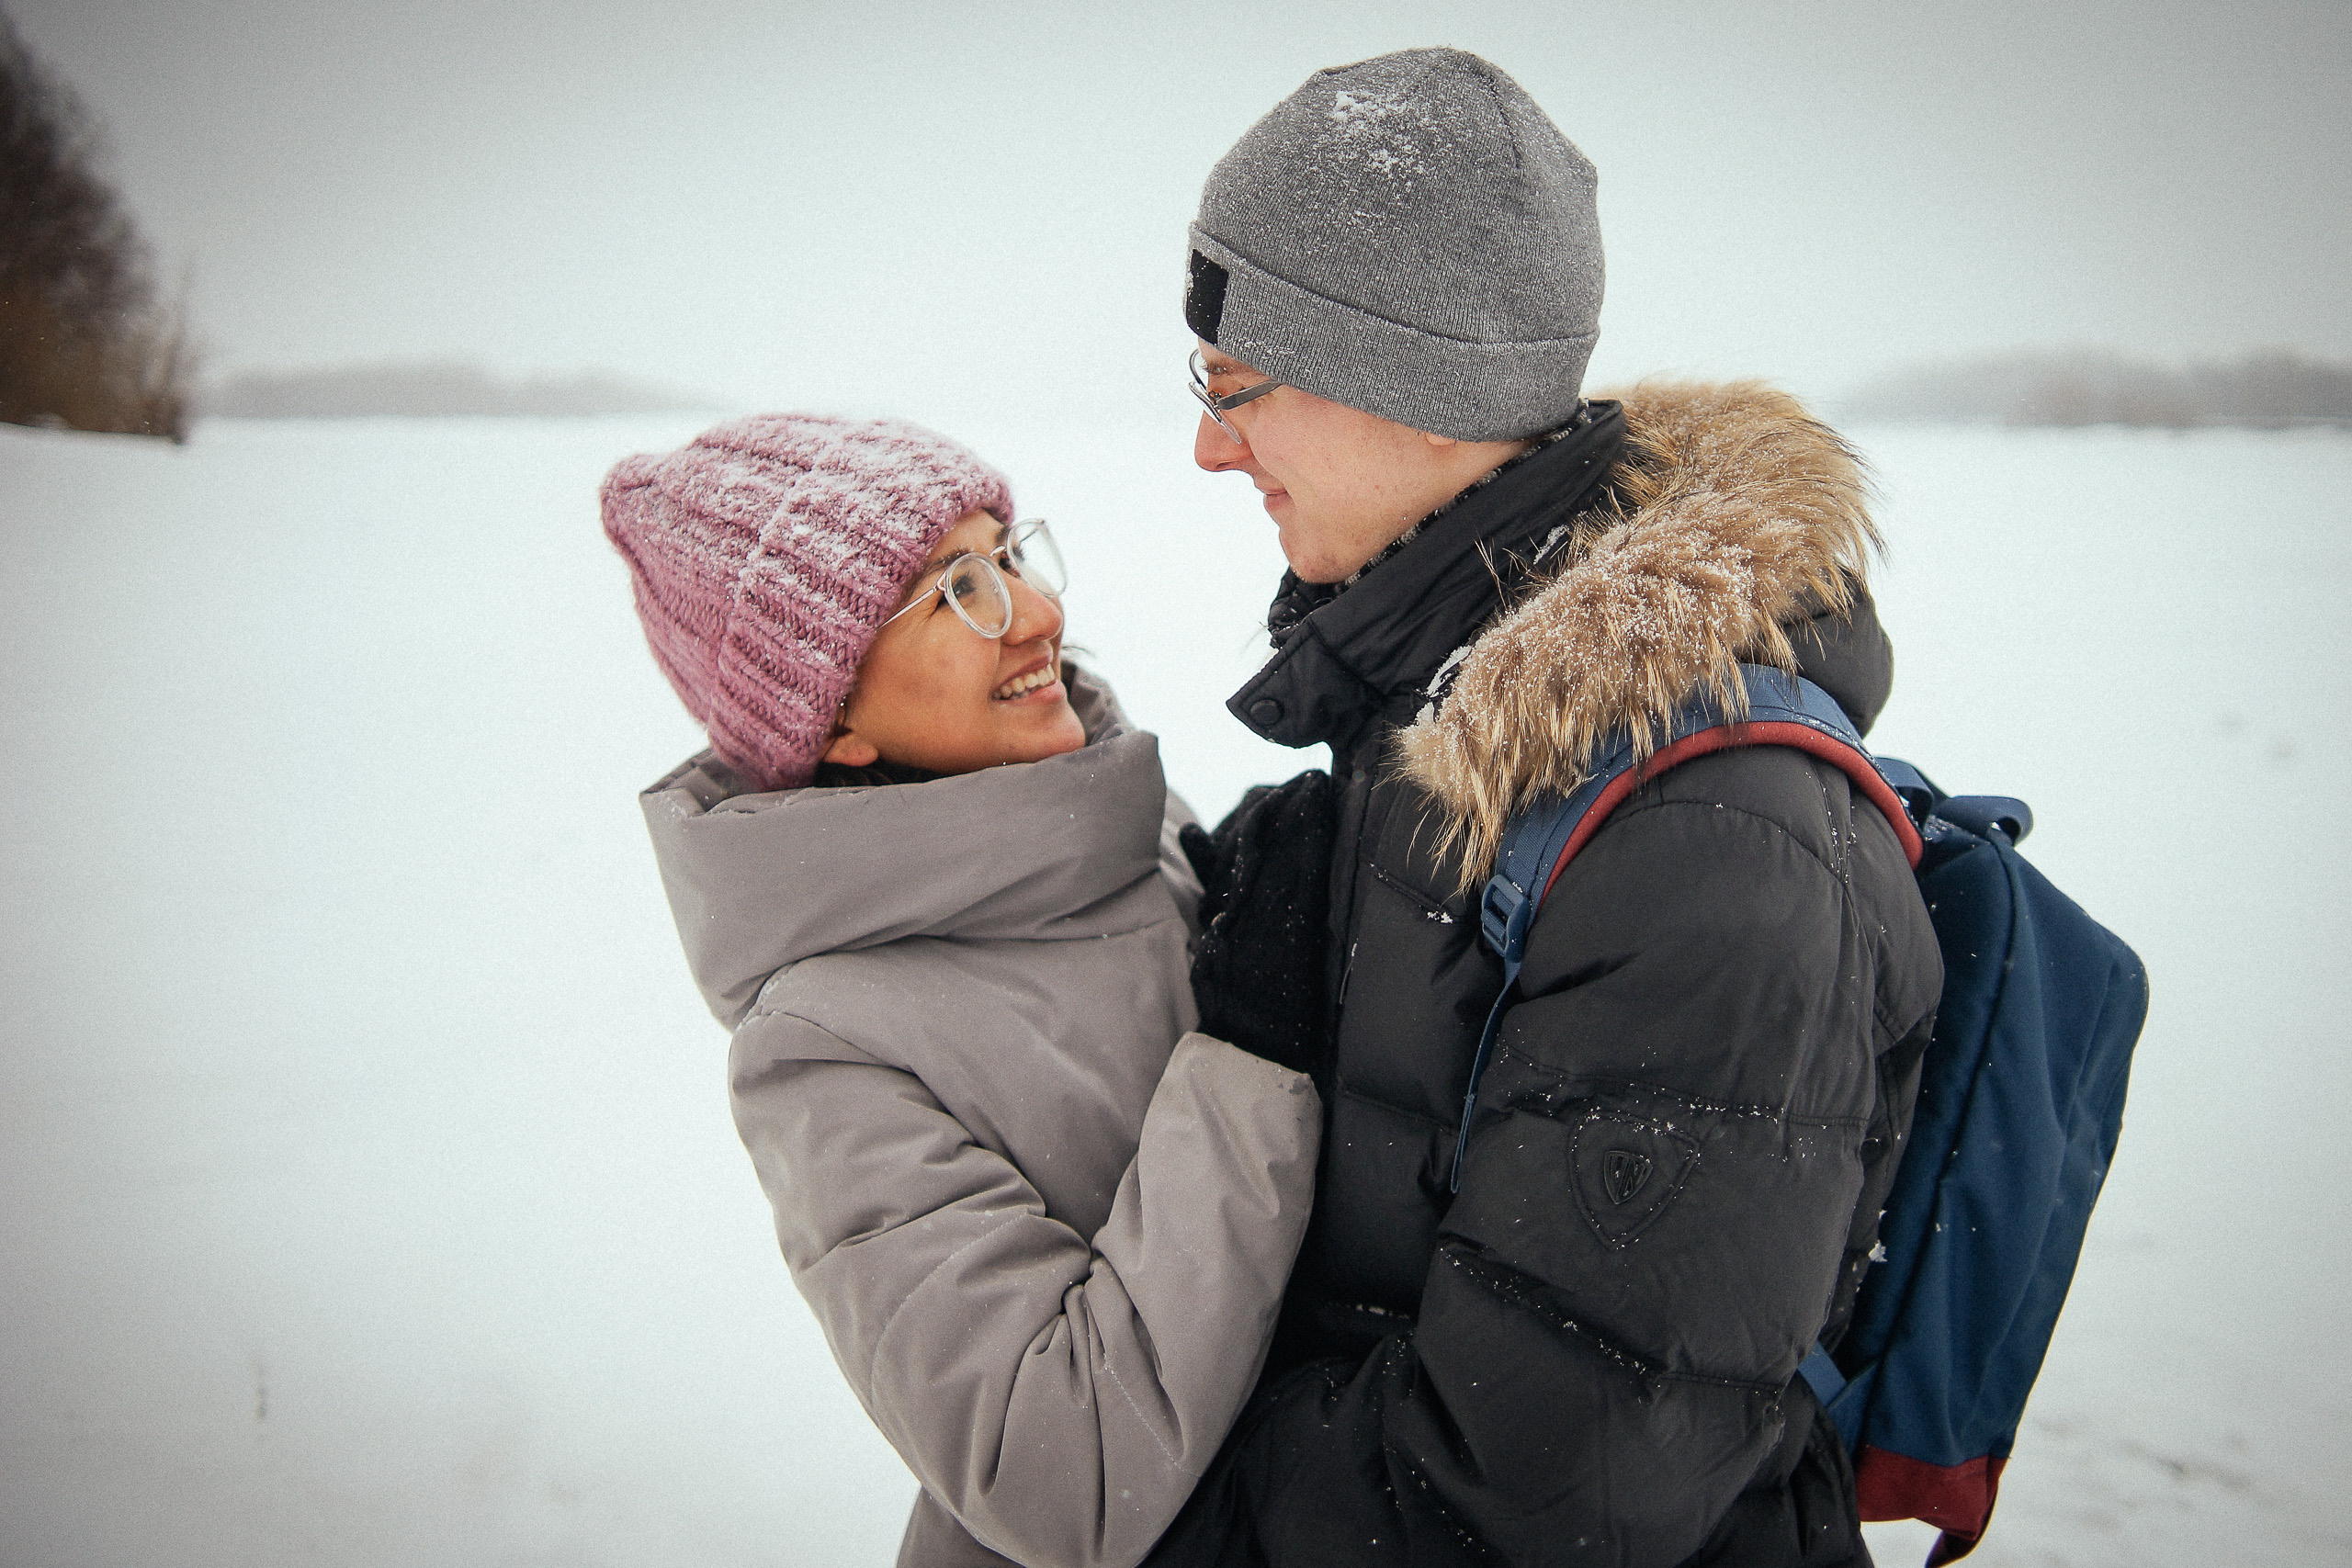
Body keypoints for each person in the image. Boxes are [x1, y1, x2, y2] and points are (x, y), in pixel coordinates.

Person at [1151, 49, 1944, 1567]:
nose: (1210, 441)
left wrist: (1123, 1502)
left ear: (1412, 385)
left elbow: (1532, 1514)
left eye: (1237, 385)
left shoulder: (1718, 856)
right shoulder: (1433, 716)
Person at [601, 413, 1322, 1568]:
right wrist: (1247, 1058)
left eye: (1010, 557)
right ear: (831, 720)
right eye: (954, 592)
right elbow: (1067, 1474)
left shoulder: (1138, 830)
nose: (1037, 614)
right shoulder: (826, 1049)